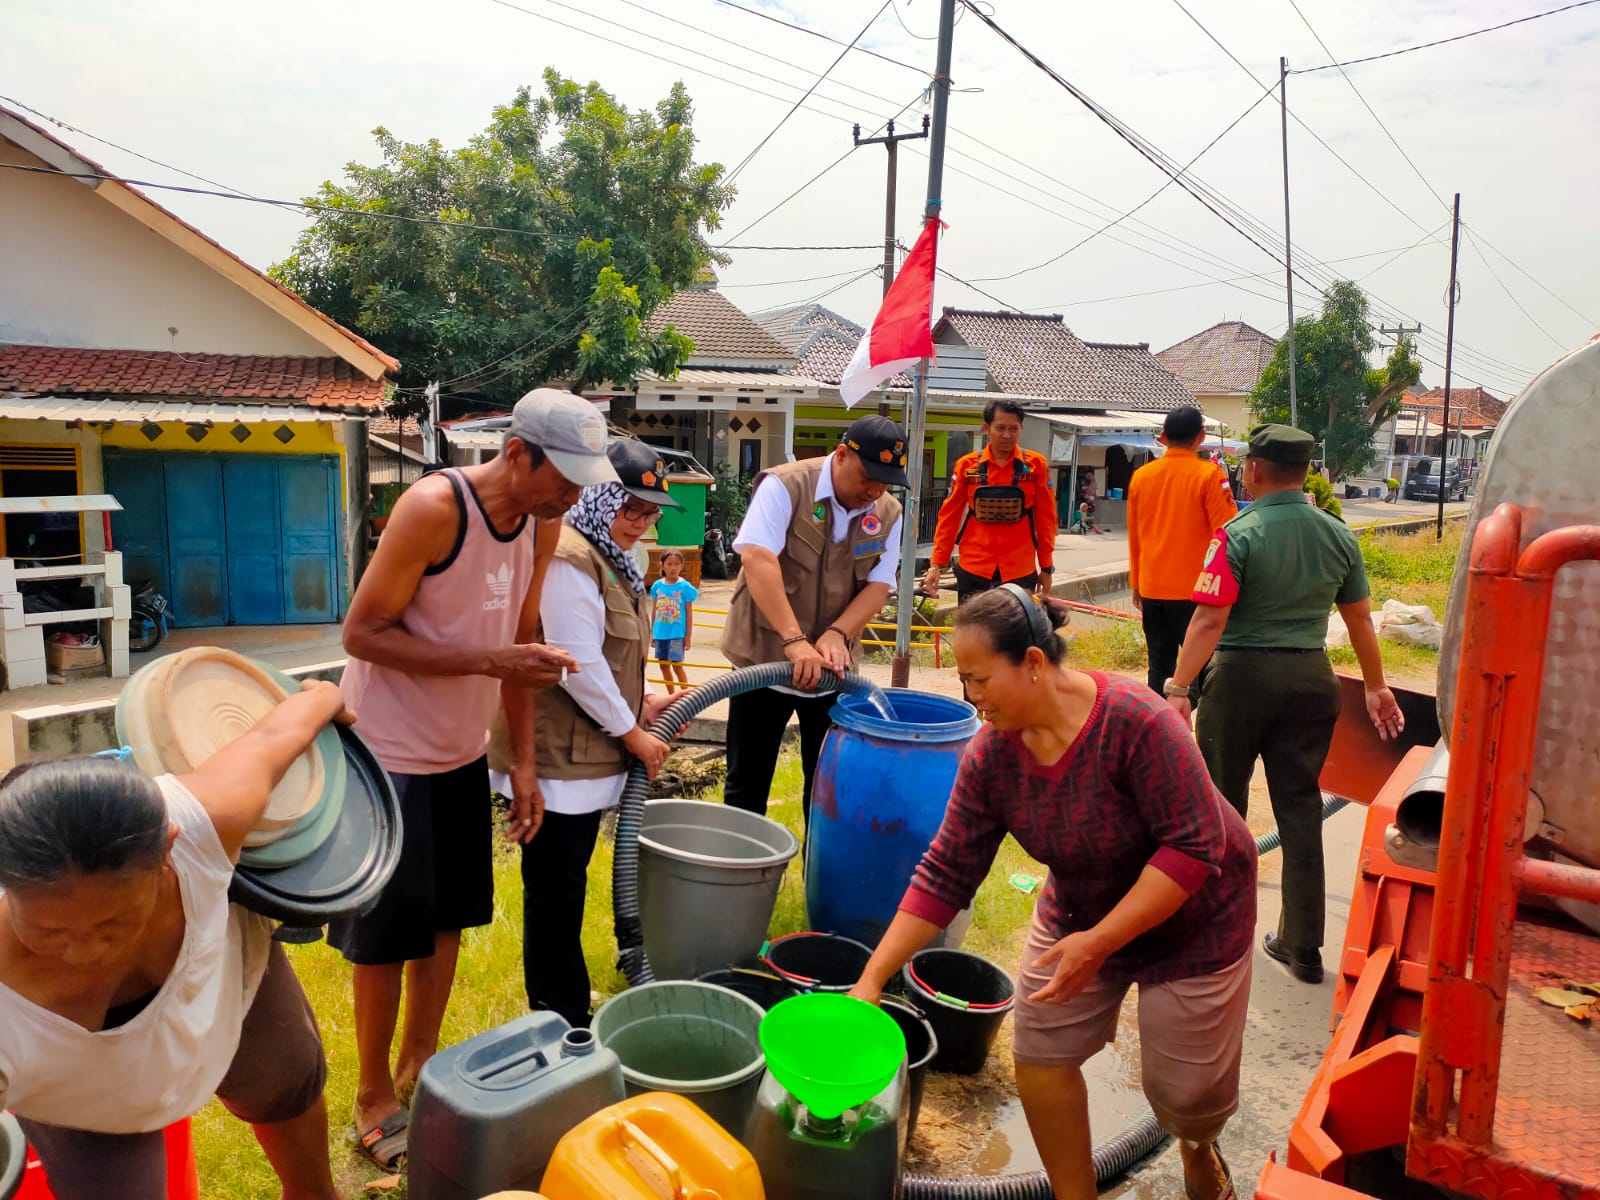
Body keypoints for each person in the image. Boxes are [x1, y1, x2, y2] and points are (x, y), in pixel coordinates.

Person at [850, 588, 1257, 1200]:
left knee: (1187, 1097)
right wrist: (871, 980)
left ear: (1034, 663)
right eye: (964, 680)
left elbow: (1193, 848)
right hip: (1082, 904)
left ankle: (1196, 1145)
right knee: (1041, 1051)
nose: (971, 696)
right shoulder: (990, 756)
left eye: (980, 679)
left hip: (1197, 914)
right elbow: (946, 871)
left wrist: (1100, 944)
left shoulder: (1137, 721)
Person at [329, 387, 613, 1168]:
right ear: (516, 452)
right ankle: (370, 1096)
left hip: (459, 756)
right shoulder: (433, 508)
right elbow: (363, 631)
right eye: (565, 475)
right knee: (386, 937)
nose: (576, 494)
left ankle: (419, 1067)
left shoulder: (542, 524)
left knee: (445, 920)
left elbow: (521, 646)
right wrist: (490, 661)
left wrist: (521, 762)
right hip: (388, 754)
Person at [0, 682, 353, 1200]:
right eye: (50, 931)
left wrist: (324, 696)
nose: (87, 951)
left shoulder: (202, 822)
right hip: (78, 1095)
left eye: (112, 923)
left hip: (224, 981)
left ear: (168, 849)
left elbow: (275, 735)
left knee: (287, 1083)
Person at [1163, 424, 1405, 986]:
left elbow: (1209, 619)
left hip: (1242, 679)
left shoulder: (1237, 533)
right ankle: (1302, 947)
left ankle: (1216, 933)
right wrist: (1374, 685)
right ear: (1306, 471)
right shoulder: (1337, 534)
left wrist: (1178, 687)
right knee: (1299, 808)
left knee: (1222, 806)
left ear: (1254, 469)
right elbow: (1360, 617)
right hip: (1310, 677)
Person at [524, 439, 677, 1028]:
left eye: (650, 512)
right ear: (597, 495)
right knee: (554, 890)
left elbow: (617, 662)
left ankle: (565, 1002)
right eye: (629, 507)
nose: (640, 522)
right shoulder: (569, 555)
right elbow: (577, 661)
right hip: (560, 760)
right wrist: (634, 733)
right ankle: (557, 1017)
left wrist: (649, 703)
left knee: (569, 883)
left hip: (591, 758)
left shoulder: (617, 558)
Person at [721, 413, 908, 825]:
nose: (874, 491)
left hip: (833, 669)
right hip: (763, 660)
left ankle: (817, 883)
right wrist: (793, 640)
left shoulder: (889, 512)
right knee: (746, 785)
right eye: (867, 478)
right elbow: (758, 557)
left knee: (827, 788)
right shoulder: (785, 486)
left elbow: (879, 584)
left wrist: (839, 633)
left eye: (885, 482)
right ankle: (739, 883)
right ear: (841, 455)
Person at [1125, 405, 1237, 700]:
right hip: (1194, 592)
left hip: (1151, 589)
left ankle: (1159, 732)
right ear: (1200, 437)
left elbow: (1135, 536)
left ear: (1163, 436)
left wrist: (1136, 583)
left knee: (1158, 667)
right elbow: (1227, 534)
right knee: (1200, 670)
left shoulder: (1141, 476)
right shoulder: (1209, 475)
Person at [924, 399, 1057, 604]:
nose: (1007, 435)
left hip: (1019, 571)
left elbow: (1046, 519)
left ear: (1021, 428)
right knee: (973, 633)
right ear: (987, 428)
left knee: (1015, 633)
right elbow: (949, 517)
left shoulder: (1036, 465)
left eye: (1014, 429)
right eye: (1000, 428)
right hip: (974, 569)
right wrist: (936, 564)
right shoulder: (967, 466)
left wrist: (1046, 567)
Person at [650, 549, 698, 694]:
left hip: (677, 633)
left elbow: (689, 613)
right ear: (662, 565)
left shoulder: (685, 587)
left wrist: (688, 637)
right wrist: (652, 633)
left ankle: (686, 696)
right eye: (669, 564)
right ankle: (671, 695)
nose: (673, 568)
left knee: (677, 665)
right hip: (660, 633)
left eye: (676, 564)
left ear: (681, 566)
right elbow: (654, 611)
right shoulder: (657, 586)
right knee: (663, 665)